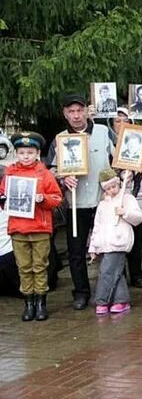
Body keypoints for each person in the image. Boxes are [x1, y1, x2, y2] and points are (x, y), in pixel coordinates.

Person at [46, 94, 114, 310]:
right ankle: (81, 292)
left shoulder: (104, 132)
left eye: (79, 110)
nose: (76, 116)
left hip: (103, 201)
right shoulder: (60, 139)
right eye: (71, 112)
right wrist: (62, 177)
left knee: (109, 248)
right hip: (77, 204)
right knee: (76, 252)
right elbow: (51, 170)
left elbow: (120, 157)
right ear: (65, 114)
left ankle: (110, 291)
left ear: (86, 111)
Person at [0, 132, 62, 321]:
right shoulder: (10, 172)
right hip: (18, 228)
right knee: (24, 267)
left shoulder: (44, 173)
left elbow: (57, 198)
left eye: (30, 152)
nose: (25, 156)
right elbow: (3, 194)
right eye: (22, 153)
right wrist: (3, 199)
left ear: (37, 153)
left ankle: (41, 302)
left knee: (39, 266)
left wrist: (43, 199)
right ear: (16, 153)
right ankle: (29, 302)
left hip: (39, 228)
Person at [89, 169, 142, 316]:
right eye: (107, 188)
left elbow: (139, 218)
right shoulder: (102, 205)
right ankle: (121, 300)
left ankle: (102, 300)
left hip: (119, 241)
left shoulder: (127, 199)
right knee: (116, 272)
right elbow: (97, 226)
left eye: (113, 186)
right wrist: (93, 246)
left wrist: (125, 213)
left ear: (119, 184)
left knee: (107, 271)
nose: (111, 190)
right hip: (104, 243)